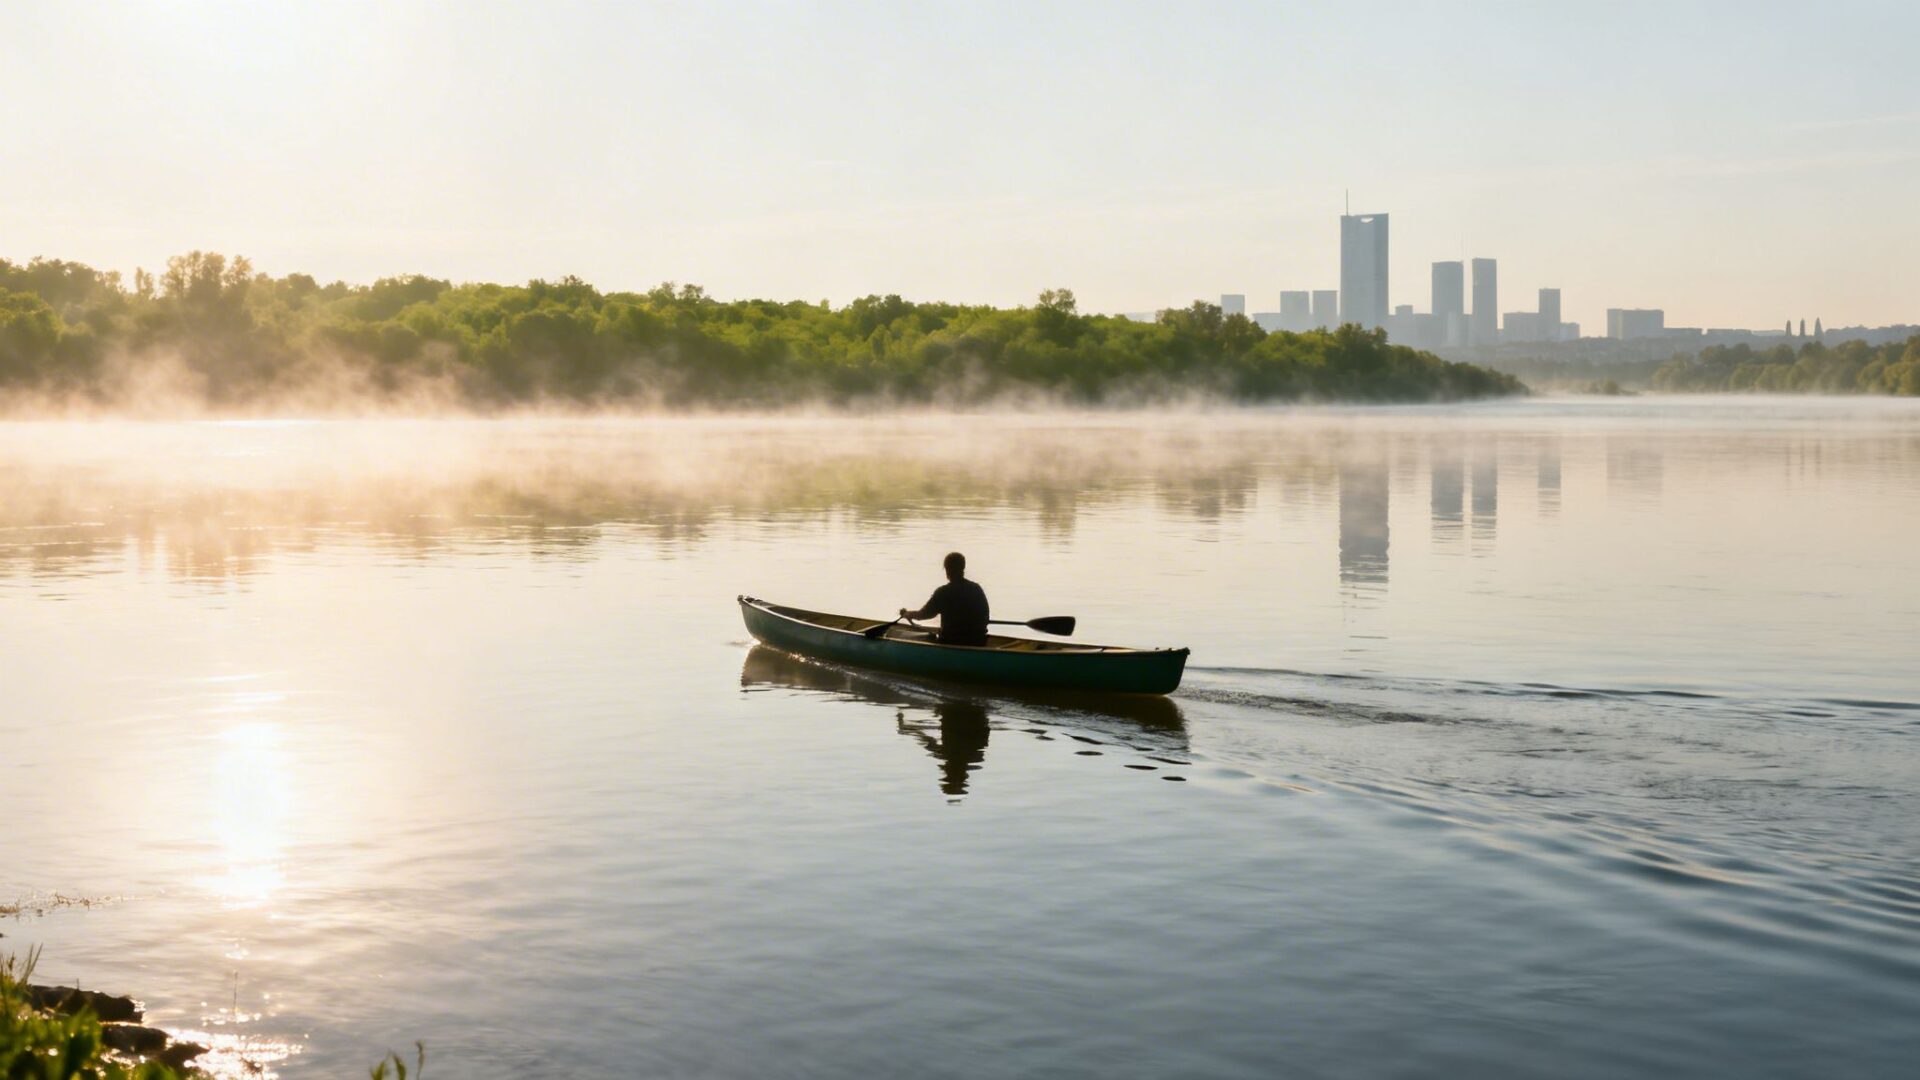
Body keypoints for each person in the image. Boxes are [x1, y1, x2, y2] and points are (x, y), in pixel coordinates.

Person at [900, 551, 990, 646]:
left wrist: (907, 614)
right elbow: (986, 616)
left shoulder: (943, 592)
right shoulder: (976, 589)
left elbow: (925, 614)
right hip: (979, 641)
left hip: (951, 641)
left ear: (947, 569)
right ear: (963, 568)